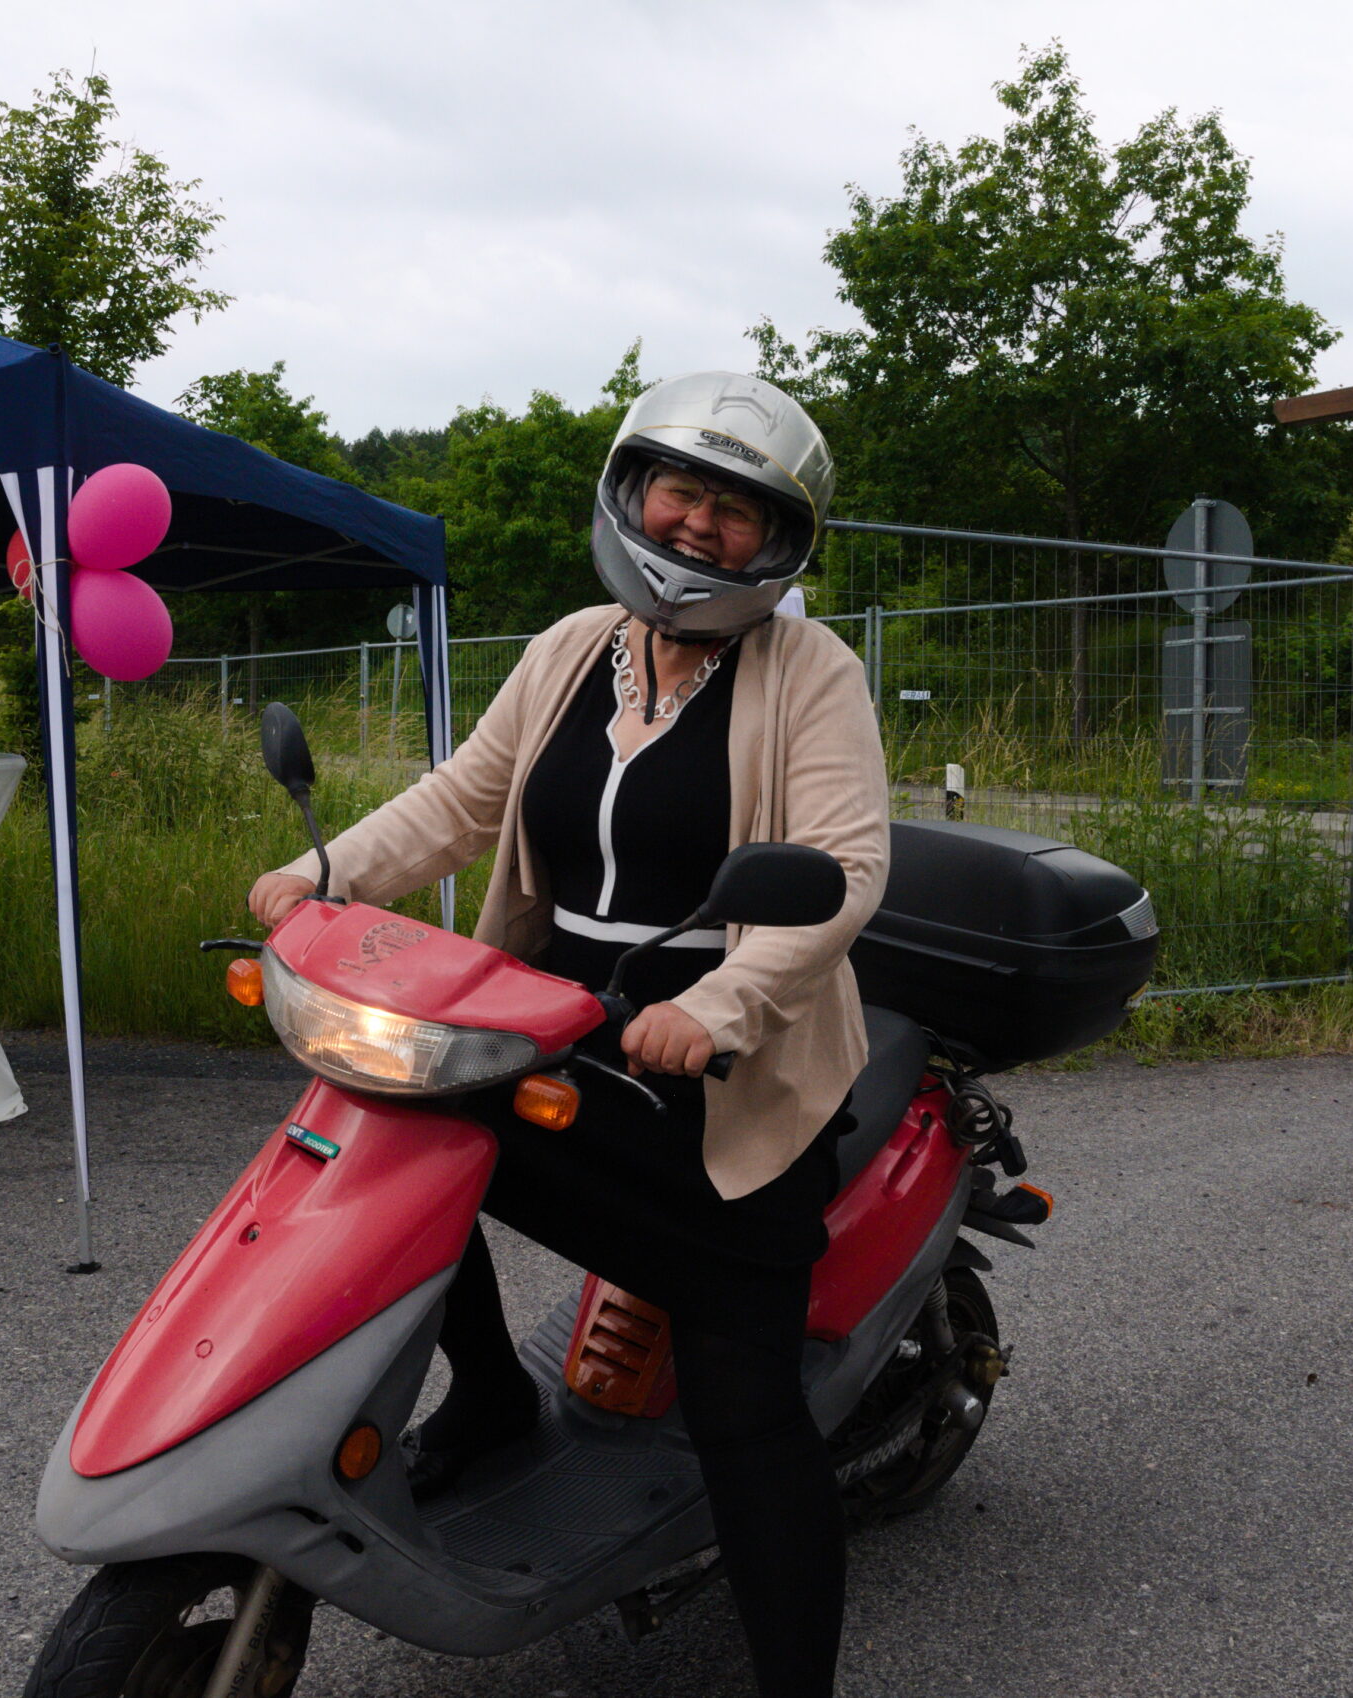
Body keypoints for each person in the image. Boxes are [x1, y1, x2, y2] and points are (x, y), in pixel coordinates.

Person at [247, 371, 888, 1698]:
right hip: (549, 1021)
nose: (702, 525)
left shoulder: (810, 670)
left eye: (737, 507)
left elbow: (844, 866)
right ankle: (485, 1390)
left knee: (743, 1408)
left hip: (718, 1070)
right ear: (632, 488)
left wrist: (711, 1010)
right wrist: (327, 877)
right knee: (393, 1118)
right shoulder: (572, 645)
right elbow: (462, 798)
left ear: (778, 538)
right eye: (683, 489)